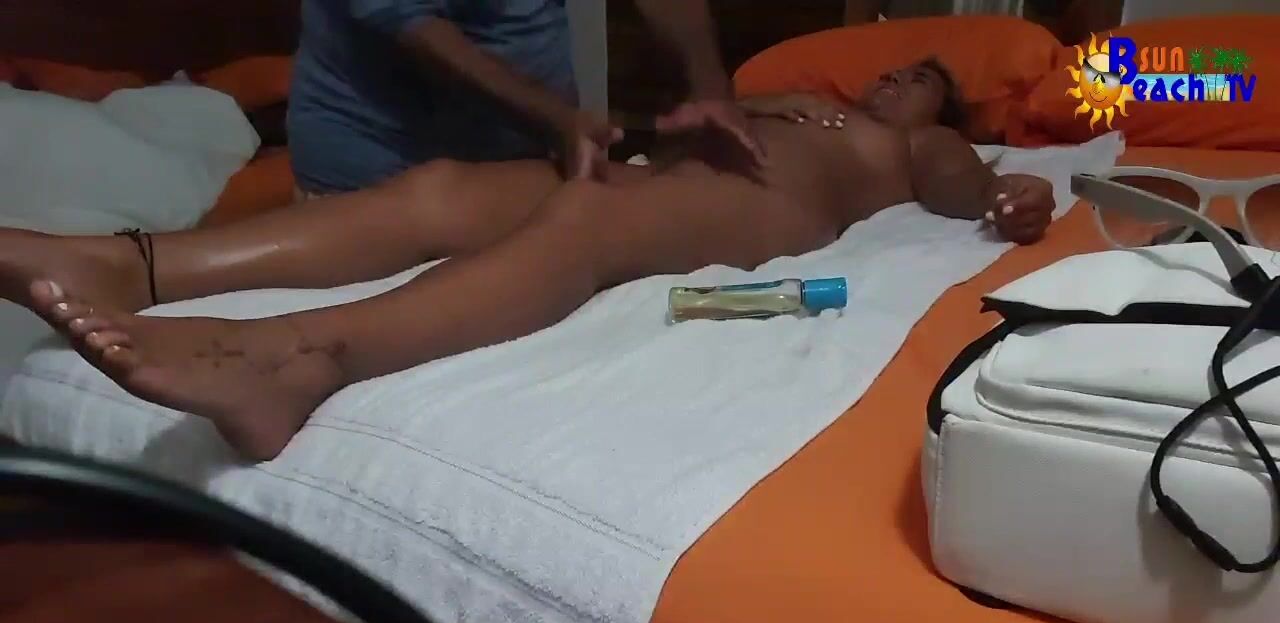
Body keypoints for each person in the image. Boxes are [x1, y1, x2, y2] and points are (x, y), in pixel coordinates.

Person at [0, 59, 1055, 462]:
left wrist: (1007, 196)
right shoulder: (796, 94)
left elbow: (969, 192)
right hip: (660, 173)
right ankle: (127, 265)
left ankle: (299, 358)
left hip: (760, 212)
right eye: (893, 70)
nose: (896, 79)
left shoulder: (916, 143)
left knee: (579, 229)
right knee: (439, 190)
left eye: (921, 76)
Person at [289, 0, 764, 194]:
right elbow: (415, 30)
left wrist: (712, 93)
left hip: (517, 158)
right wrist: (558, 119)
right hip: (379, 167)